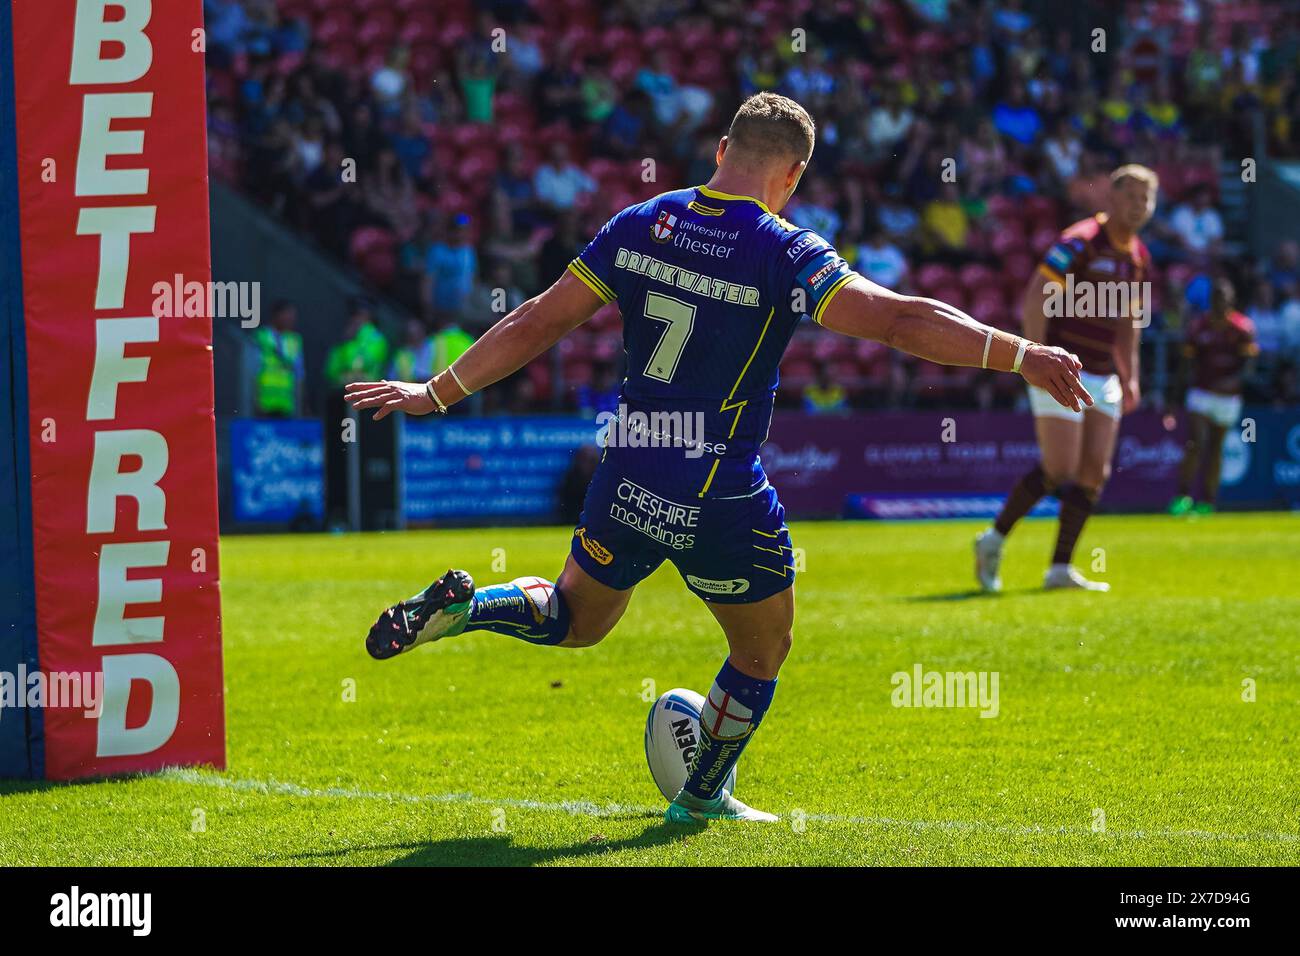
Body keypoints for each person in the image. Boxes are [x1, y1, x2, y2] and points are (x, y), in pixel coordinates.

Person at [345, 93, 1088, 823]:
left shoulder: (642, 221)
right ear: (792, 175)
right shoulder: (784, 246)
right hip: (716, 486)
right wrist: (1019, 352)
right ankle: (701, 795)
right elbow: (896, 320)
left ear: (722, 150)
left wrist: (436, 391)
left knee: (577, 618)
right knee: (763, 650)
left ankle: (470, 608)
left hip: (630, 462)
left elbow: (539, 318)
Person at [976, 165, 1157, 593]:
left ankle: (1060, 568)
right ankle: (992, 540)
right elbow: (1036, 296)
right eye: (1132, 197)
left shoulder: (1138, 255)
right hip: (1064, 369)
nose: (1140, 207)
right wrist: (1033, 358)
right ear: (1111, 198)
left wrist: (1130, 376)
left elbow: (1130, 320)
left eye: (1147, 200)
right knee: (1060, 468)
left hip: (1104, 375)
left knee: (1094, 472)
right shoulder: (1080, 242)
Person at [1170, 279, 1258, 515]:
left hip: (1228, 399)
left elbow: (1249, 366)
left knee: (1216, 448)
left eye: (1224, 299)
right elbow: (1186, 364)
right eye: (1216, 299)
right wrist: (1175, 398)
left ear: (1231, 301)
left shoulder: (1243, 328)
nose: (1220, 303)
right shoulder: (1199, 327)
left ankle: (1208, 501)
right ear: (1211, 301)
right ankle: (1183, 496)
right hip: (1201, 393)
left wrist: (1234, 380)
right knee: (1196, 442)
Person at [253, 300, 305, 417]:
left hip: (287, 406)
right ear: (276, 315)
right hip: (263, 405)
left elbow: (299, 375)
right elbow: (252, 372)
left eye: (293, 316)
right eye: (287, 315)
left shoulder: (294, 340)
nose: (291, 319)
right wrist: (254, 400)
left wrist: (300, 407)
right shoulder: (261, 337)